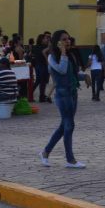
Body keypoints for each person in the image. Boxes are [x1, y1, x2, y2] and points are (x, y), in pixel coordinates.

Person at [39, 29, 85, 168]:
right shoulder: (52, 57)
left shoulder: (70, 55)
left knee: (64, 126)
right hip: (62, 95)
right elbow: (62, 70)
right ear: (57, 42)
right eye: (64, 39)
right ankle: (70, 160)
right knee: (69, 125)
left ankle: (45, 152)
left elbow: (72, 74)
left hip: (72, 93)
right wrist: (64, 52)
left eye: (68, 39)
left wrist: (85, 77)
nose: (67, 41)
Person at [31, 33, 51, 103]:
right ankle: (41, 96)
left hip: (37, 65)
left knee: (38, 81)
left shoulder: (36, 46)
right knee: (42, 81)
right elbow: (45, 53)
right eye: (45, 38)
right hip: (42, 65)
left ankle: (30, 94)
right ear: (41, 39)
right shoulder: (44, 47)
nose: (47, 39)